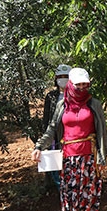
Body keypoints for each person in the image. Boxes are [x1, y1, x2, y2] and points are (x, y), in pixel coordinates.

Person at [31, 67, 107, 211]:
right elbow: (52, 129)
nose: (82, 88)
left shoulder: (93, 104)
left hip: (89, 156)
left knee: (88, 192)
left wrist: (103, 156)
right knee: (70, 193)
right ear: (71, 85)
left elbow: (102, 131)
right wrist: (39, 146)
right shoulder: (62, 105)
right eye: (78, 85)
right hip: (68, 157)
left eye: (85, 85)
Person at [41, 63, 71, 191]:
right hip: (54, 137)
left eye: (66, 76)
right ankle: (60, 188)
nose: (63, 79)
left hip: (70, 136)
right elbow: (46, 118)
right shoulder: (51, 97)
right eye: (60, 76)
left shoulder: (76, 96)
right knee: (55, 164)